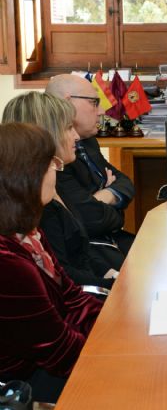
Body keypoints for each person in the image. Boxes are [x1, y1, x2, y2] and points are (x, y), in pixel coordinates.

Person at [0, 122, 103, 403]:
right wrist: (115, 348)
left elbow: (72, 297)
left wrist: (115, 323)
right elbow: (59, 352)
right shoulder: (8, 262)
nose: (56, 173)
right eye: (50, 165)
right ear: (25, 176)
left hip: (51, 362)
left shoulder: (29, 231)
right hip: (23, 384)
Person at [2, 92, 123, 288]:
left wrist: (113, 275)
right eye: (69, 128)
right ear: (46, 134)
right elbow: (62, 276)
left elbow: (82, 249)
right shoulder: (40, 202)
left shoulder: (56, 182)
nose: (76, 136)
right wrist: (114, 286)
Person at [45, 74, 135, 255]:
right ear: (68, 102)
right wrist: (112, 204)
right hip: (88, 249)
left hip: (111, 239)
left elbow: (125, 183)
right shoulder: (52, 156)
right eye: (94, 102)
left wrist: (103, 196)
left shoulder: (87, 142)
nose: (102, 111)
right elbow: (90, 219)